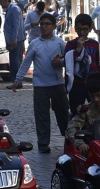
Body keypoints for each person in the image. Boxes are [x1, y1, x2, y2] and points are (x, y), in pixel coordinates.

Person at [12, 14, 69, 154]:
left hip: (57, 84)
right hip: (40, 86)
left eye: (47, 24)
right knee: (42, 116)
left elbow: (68, 61)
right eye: (41, 24)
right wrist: (18, 80)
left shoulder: (60, 43)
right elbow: (26, 63)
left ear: (54, 26)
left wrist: (60, 63)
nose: (43, 27)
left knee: (63, 113)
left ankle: (69, 138)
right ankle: (43, 144)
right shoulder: (35, 43)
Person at [64, 14, 100, 112]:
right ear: (75, 29)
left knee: (97, 108)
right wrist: (78, 49)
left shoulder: (94, 44)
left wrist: (99, 79)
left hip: (92, 82)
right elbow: (68, 62)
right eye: (79, 29)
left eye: (85, 29)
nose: (82, 32)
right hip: (77, 83)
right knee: (75, 109)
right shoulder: (70, 44)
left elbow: (97, 63)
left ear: (90, 29)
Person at [4, 0, 27, 82]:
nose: (0, 4)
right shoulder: (11, 9)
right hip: (13, 40)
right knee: (14, 61)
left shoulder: (14, 9)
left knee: (15, 62)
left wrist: (14, 39)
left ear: (6, 1)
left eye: (1, 2)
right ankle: (15, 80)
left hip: (16, 40)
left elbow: (16, 25)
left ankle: (17, 81)